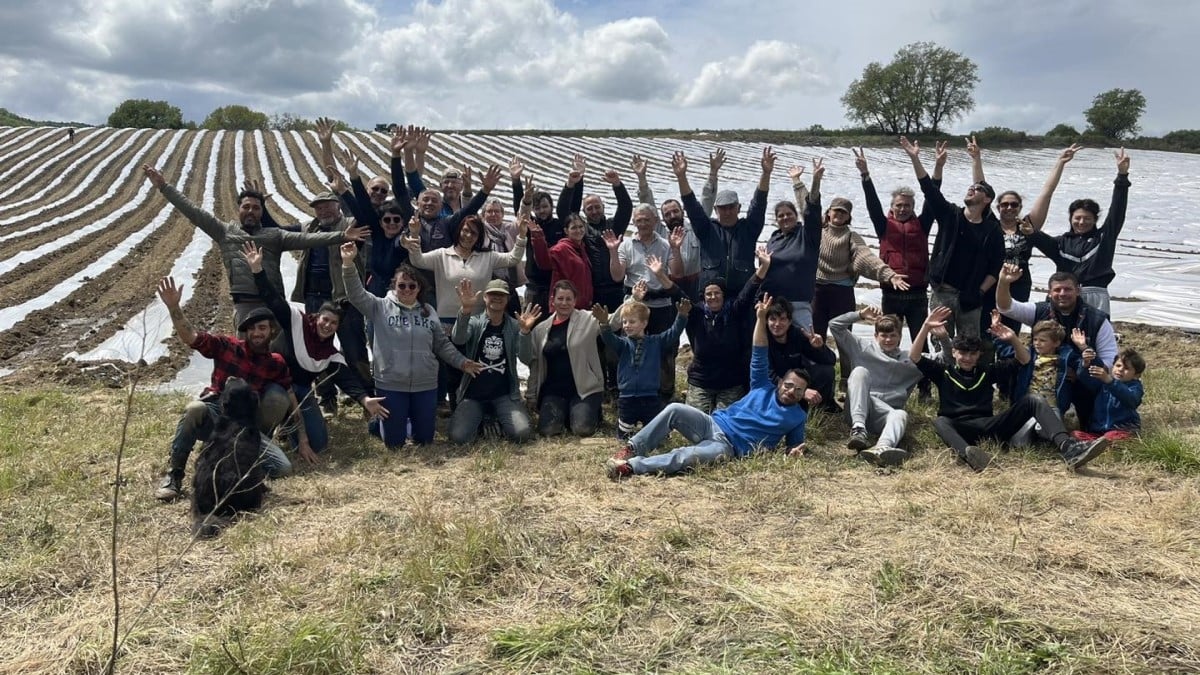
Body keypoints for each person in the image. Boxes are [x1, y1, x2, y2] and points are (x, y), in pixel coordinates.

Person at [605, 293, 809, 479]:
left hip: (728, 446)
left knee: (685, 456)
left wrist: (794, 454)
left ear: (802, 395)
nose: (791, 391)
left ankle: (631, 466)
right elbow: (759, 351)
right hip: (712, 423)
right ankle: (633, 447)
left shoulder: (797, 416)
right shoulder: (762, 385)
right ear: (780, 382)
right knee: (675, 409)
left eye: (798, 390)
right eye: (789, 385)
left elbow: (792, 446)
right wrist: (761, 318)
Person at [140, 165, 368, 330]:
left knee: (280, 354)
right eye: (246, 207)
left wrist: (341, 235)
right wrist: (164, 187)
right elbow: (194, 212)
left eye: (256, 208)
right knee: (246, 355)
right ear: (239, 209)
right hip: (244, 305)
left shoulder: (274, 235)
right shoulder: (225, 232)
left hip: (275, 304)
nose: (251, 211)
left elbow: (308, 239)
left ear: (262, 211)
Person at [910, 307, 1109, 472]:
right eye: (962, 353)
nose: (967, 358)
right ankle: (971, 457)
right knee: (939, 421)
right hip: (961, 428)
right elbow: (915, 357)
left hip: (991, 425)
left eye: (972, 354)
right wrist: (926, 327)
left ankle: (1069, 447)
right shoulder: (943, 373)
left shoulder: (987, 372)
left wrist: (1013, 338)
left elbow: (1023, 360)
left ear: (979, 355)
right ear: (954, 352)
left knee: (1034, 400)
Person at [153, 277, 298, 501]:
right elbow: (190, 337)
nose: (257, 333)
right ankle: (174, 476)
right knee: (194, 409)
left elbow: (290, 395)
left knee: (283, 469)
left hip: (247, 428)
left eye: (262, 328)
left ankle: (241, 463)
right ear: (245, 332)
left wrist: (304, 440)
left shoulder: (275, 362)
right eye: (252, 329)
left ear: (272, 331)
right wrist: (174, 307)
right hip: (217, 416)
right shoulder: (227, 346)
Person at [244, 242, 388, 457]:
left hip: (300, 392)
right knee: (276, 400)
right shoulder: (295, 322)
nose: (327, 326)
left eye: (333, 324)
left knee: (318, 444)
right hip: (272, 386)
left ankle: (288, 427)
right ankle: (255, 438)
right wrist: (257, 270)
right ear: (316, 317)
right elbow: (273, 300)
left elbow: (345, 378)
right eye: (325, 320)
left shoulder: (329, 353)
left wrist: (365, 399)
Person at [339, 246, 482, 448]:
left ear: (419, 288)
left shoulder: (428, 311)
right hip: (391, 383)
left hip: (425, 384)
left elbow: (441, 344)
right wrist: (348, 264)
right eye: (402, 286)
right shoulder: (379, 307)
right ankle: (378, 425)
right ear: (394, 286)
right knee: (394, 444)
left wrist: (462, 362)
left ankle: (401, 420)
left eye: (412, 286)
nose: (407, 290)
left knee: (424, 440)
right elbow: (356, 294)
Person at [968, 139, 1084, 333]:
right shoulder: (991, 225)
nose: (1009, 208)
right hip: (990, 281)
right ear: (997, 207)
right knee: (986, 328)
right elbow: (981, 190)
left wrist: (1060, 162)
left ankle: (1011, 360)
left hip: (1019, 283)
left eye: (1014, 204)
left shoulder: (1027, 227)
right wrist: (976, 158)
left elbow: (1047, 193)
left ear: (1020, 208)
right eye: (1004, 204)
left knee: (1011, 328)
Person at [899, 137, 1004, 340]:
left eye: (978, 190)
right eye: (971, 188)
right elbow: (928, 189)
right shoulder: (950, 215)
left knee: (970, 347)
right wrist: (915, 159)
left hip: (970, 298)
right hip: (942, 293)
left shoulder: (992, 229)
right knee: (940, 343)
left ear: (988, 200)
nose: (972, 189)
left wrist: (979, 292)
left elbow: (995, 266)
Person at [995, 264, 1119, 430]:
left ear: (1078, 290)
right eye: (1057, 290)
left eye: (1068, 289)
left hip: (1080, 378)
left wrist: (1082, 371)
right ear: (1049, 293)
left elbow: (1109, 358)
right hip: (1043, 375)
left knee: (1092, 419)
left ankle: (1090, 422)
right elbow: (1006, 307)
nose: (1062, 294)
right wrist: (1004, 282)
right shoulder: (1039, 311)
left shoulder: (1098, 319)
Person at [1026, 149, 1132, 315]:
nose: (1081, 222)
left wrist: (1122, 176)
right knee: (1055, 337)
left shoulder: (1104, 238)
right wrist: (1030, 231)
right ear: (1070, 218)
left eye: (1087, 218)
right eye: (1077, 218)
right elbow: (1035, 234)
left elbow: (1117, 211)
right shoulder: (1060, 243)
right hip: (1064, 294)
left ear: (1095, 219)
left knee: (1093, 338)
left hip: (1095, 295)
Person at [829, 307, 923, 467]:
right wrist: (859, 315)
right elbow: (834, 325)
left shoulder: (910, 360)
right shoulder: (862, 348)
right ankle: (858, 430)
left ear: (900, 337)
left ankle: (881, 449)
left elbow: (944, 359)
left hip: (885, 415)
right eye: (884, 335)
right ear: (875, 336)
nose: (888, 340)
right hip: (859, 408)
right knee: (860, 372)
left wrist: (941, 337)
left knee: (900, 414)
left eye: (893, 335)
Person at [672, 147, 774, 293]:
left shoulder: (749, 229)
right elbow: (691, 204)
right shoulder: (706, 229)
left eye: (731, 207)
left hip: (742, 297)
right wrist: (681, 177)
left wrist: (766, 173)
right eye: (723, 208)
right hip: (711, 298)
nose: (727, 212)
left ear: (739, 208)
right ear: (715, 210)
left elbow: (759, 202)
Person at [598, 281, 690, 439]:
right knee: (625, 437)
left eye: (632, 322)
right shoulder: (622, 344)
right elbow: (609, 338)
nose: (627, 326)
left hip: (650, 397)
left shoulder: (656, 342)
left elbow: (673, 332)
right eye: (625, 322)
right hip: (627, 398)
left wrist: (681, 316)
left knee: (657, 436)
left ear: (644, 323)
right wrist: (604, 324)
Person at [608, 204, 683, 401]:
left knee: (665, 350)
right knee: (631, 349)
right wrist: (613, 252)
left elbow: (677, 273)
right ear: (634, 222)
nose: (642, 224)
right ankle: (628, 392)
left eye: (646, 220)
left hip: (661, 305)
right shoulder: (625, 245)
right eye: (639, 220)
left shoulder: (666, 245)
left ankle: (665, 395)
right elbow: (617, 276)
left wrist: (676, 248)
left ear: (655, 221)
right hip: (635, 304)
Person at [682, 247, 770, 413]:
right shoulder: (697, 313)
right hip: (701, 381)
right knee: (693, 422)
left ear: (724, 295)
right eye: (709, 294)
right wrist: (659, 275)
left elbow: (749, 290)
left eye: (717, 293)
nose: (713, 297)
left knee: (725, 424)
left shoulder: (735, 311)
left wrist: (763, 267)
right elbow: (676, 293)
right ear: (704, 297)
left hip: (731, 383)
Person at [447, 279, 534, 445]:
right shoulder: (474, 322)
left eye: (501, 295)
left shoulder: (515, 326)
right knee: (458, 437)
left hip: (504, 395)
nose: (497, 298)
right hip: (473, 395)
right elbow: (458, 339)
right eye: (493, 294)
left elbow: (526, 358)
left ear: (508, 299)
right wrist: (465, 311)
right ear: (485, 298)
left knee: (522, 434)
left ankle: (497, 418)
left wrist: (524, 333)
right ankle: (482, 419)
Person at [517, 280, 604, 437]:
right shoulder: (540, 330)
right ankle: (566, 414)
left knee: (582, 429)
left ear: (575, 301)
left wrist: (634, 299)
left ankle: (589, 411)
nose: (564, 303)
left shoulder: (589, 319)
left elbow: (615, 321)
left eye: (568, 299)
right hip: (554, 390)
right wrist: (524, 332)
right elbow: (531, 363)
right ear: (553, 300)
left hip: (583, 389)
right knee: (547, 431)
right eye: (560, 298)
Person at [757, 159, 821, 329]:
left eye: (789, 214)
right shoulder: (773, 239)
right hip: (774, 304)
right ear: (776, 220)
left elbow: (811, 210)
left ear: (796, 215)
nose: (785, 218)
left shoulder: (807, 235)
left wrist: (810, 181)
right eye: (781, 216)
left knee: (807, 345)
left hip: (799, 304)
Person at [765, 296, 837, 411]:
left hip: (796, 380)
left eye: (782, 319)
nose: (777, 324)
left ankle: (819, 411)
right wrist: (800, 391)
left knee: (826, 372)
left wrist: (819, 348)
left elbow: (831, 360)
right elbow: (767, 375)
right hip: (774, 386)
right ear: (767, 321)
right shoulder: (762, 340)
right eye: (773, 319)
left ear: (789, 322)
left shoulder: (796, 335)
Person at [1073, 347, 1145, 443]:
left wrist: (1110, 382)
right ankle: (1096, 444)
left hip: (1123, 429)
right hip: (1099, 430)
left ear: (1136, 375)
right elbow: (1087, 380)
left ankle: (1102, 443)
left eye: (1126, 368)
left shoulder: (1135, 387)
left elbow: (1131, 400)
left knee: (1111, 436)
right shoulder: (1104, 382)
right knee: (1075, 434)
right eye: (1118, 365)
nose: (1120, 370)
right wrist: (1085, 365)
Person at [530, 213, 593, 309]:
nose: (578, 230)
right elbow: (543, 262)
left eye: (581, 227)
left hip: (581, 306)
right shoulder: (561, 248)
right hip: (564, 306)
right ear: (566, 231)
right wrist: (538, 237)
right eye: (574, 228)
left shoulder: (582, 248)